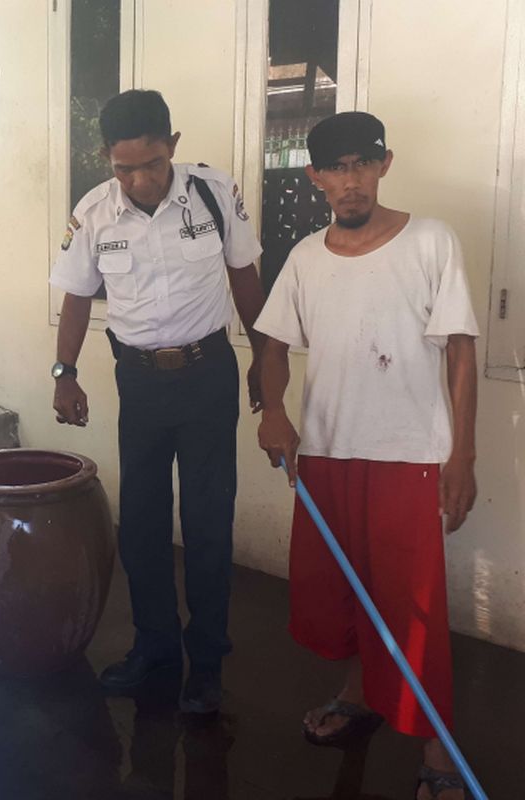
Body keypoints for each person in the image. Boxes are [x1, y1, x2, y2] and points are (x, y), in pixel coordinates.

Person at [255, 111, 478, 800]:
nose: (349, 182)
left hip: (410, 459)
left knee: (412, 611)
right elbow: (271, 346)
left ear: (385, 164)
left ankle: (439, 753)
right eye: (335, 168)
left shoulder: (431, 242)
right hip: (325, 455)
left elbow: (463, 350)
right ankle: (359, 695)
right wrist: (274, 412)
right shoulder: (304, 258)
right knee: (347, 596)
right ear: (315, 177)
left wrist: (462, 458)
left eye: (362, 164)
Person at [49, 89, 268, 714]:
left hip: (208, 377)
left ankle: (206, 666)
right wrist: (65, 373)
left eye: (151, 163)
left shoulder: (214, 193)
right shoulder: (94, 212)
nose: (140, 179)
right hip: (139, 381)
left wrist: (263, 360)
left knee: (207, 523)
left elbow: (245, 278)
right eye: (123, 168)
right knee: (141, 523)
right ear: (106, 159)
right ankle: (155, 649)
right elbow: (74, 296)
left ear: (172, 146)